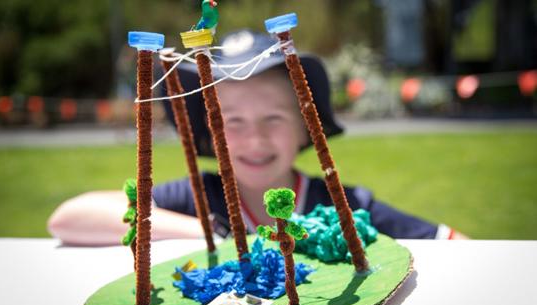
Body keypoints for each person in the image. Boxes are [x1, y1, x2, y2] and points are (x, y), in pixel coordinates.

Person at [48, 30, 466, 245]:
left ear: (306, 127)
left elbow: (451, 243)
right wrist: (214, 235)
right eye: (232, 121)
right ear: (208, 135)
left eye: (274, 118)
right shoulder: (196, 198)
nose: (255, 139)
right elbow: (70, 217)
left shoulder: (345, 206)